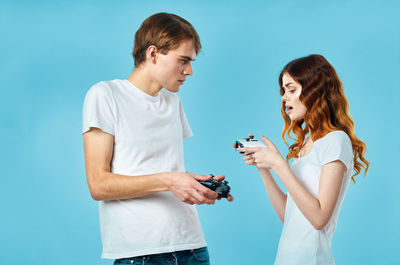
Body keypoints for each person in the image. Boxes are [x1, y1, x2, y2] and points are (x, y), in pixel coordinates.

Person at [82, 12, 233, 265]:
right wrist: (171, 181)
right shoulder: (105, 95)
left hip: (193, 247)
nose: (190, 71)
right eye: (183, 60)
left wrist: (196, 186)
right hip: (140, 253)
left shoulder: (173, 102)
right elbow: (98, 185)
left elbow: (165, 170)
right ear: (153, 54)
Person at [235, 54, 369, 264]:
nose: (284, 97)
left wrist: (279, 164)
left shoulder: (336, 140)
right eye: (283, 90)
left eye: (291, 89)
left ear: (314, 90)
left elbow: (319, 218)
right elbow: (288, 215)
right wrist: (264, 168)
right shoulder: (307, 142)